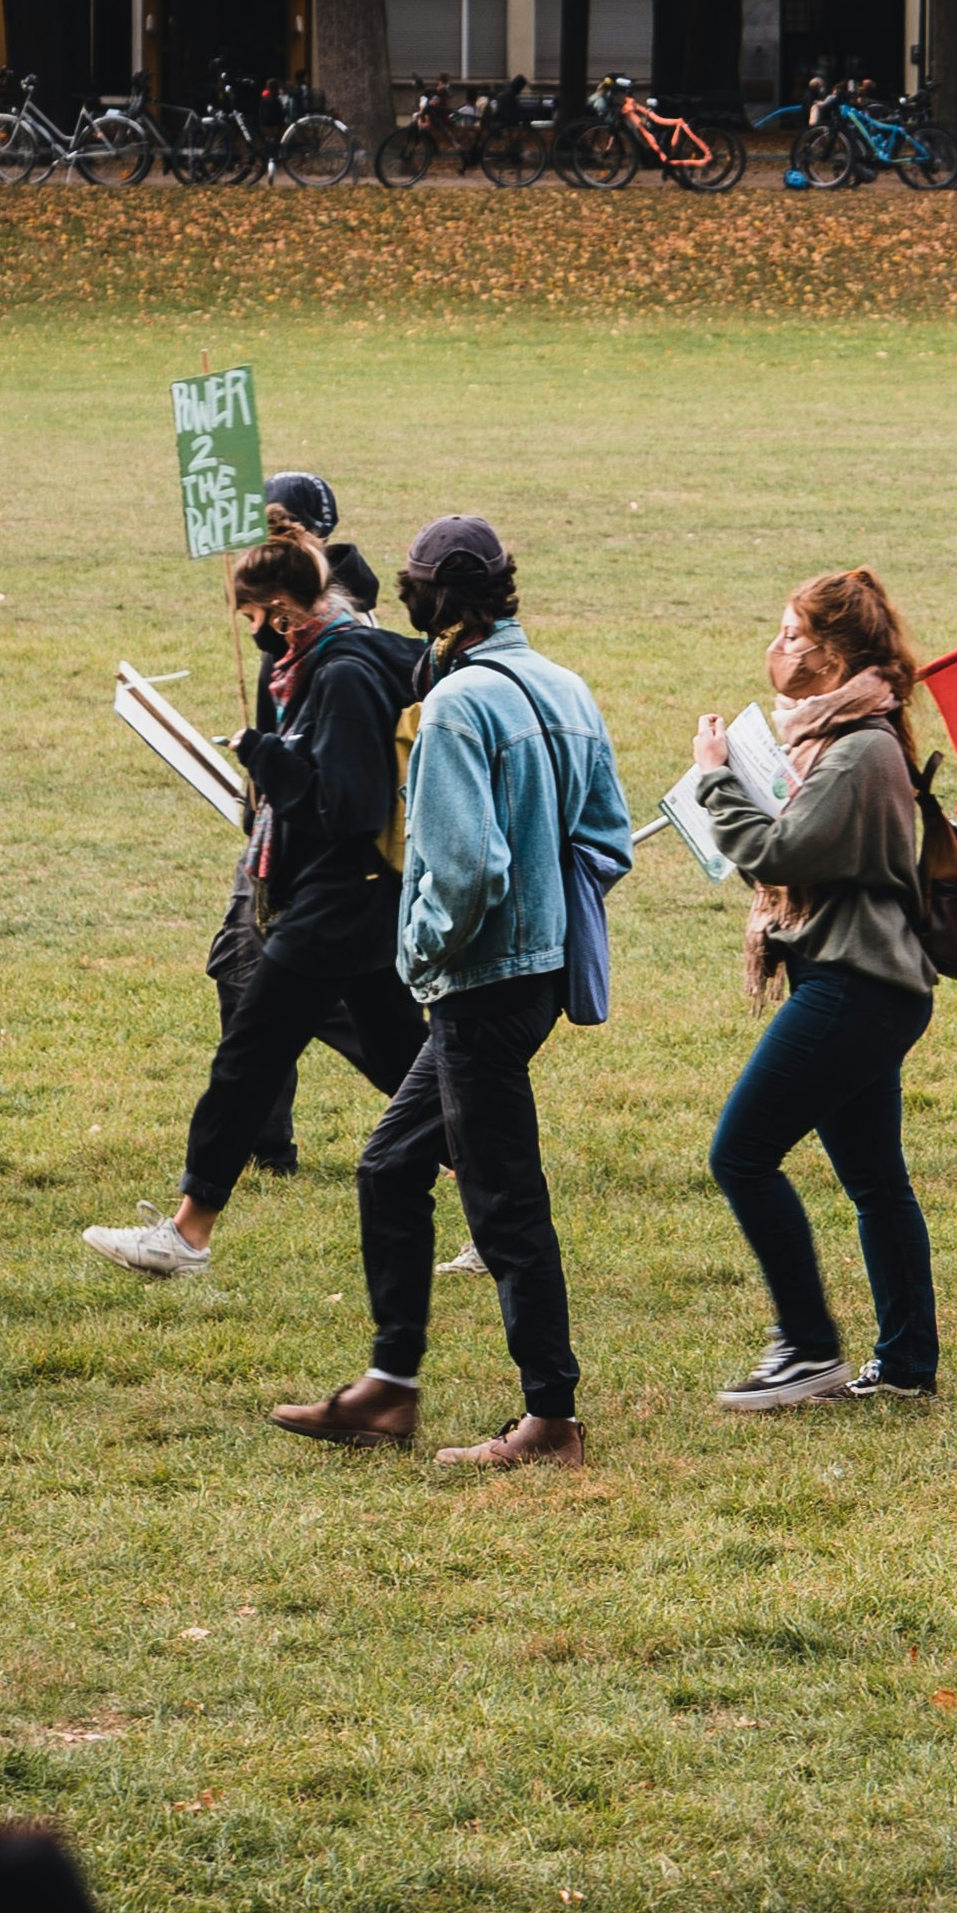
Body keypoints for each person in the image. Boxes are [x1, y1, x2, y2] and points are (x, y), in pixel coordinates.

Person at [270, 516, 632, 1469]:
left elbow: (465, 869)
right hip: (540, 975)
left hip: (479, 980)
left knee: (503, 1197)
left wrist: (420, 952)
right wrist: (547, 916)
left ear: (424, 600)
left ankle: (550, 1421)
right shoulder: (565, 685)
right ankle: (388, 1388)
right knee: (391, 1166)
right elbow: (609, 839)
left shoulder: (458, 705)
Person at [82, 507, 428, 1275]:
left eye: (249, 617)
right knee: (410, 1064)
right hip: (358, 902)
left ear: (278, 610)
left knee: (248, 1057)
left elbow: (350, 808)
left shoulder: (340, 675)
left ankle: (186, 1233)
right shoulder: (329, 660)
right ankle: (499, 1194)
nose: (249, 632)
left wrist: (267, 757)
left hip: (336, 901)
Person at [695, 570, 941, 1410]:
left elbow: (780, 853)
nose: (779, 648)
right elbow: (792, 860)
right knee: (875, 1181)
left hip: (856, 985)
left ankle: (805, 1348)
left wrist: (715, 780)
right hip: (857, 978)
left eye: (794, 634)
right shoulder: (833, 738)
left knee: (740, 1153)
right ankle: (905, 1366)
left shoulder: (861, 749)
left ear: (833, 652)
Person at [195, 470, 392, 1183]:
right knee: (256, 978)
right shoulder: (306, 632)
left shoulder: (338, 650)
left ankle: (251, 1157)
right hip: (289, 844)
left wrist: (268, 764)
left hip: (316, 861)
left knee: (281, 994)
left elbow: (341, 794)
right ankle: (261, 1146)